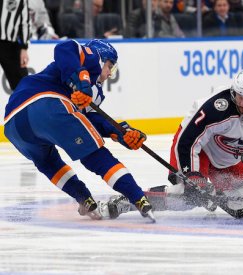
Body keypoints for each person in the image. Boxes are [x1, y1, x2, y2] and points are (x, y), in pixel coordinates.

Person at [107, 67, 243, 219]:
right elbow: (188, 141)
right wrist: (193, 175)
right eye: (239, 95)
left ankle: (215, 196)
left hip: (227, 157)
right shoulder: (216, 107)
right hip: (197, 151)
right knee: (188, 196)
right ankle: (131, 200)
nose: (242, 103)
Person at [3, 39, 154, 221]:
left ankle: (84, 199)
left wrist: (119, 132)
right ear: (103, 59)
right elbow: (64, 47)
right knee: (93, 153)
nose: (109, 75)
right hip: (46, 103)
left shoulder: (95, 93)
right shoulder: (92, 59)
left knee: (47, 162)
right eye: (110, 67)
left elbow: (90, 120)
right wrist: (81, 80)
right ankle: (137, 197)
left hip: (13, 124)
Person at [0, 0, 29, 90]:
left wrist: (24, 48)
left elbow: (25, 22)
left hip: (10, 45)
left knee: (21, 84)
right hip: (9, 44)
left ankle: (23, 103)